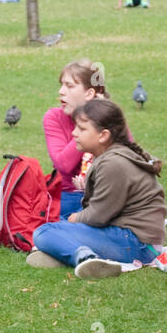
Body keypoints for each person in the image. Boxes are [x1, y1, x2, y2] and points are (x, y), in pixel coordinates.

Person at [28, 99, 163, 280]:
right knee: (58, 225)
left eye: (82, 129)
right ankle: (67, 252)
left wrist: (76, 218)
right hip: (133, 239)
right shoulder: (111, 156)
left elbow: (98, 216)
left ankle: (84, 257)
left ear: (103, 135)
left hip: (137, 245)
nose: (74, 133)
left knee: (44, 232)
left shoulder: (113, 163)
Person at [43, 59, 112, 219]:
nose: (61, 91)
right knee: (45, 232)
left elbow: (129, 156)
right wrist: (89, 122)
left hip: (106, 193)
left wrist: (99, 117)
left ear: (89, 94)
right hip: (70, 195)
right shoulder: (54, 117)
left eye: (69, 86)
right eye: (61, 84)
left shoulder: (108, 115)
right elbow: (63, 165)